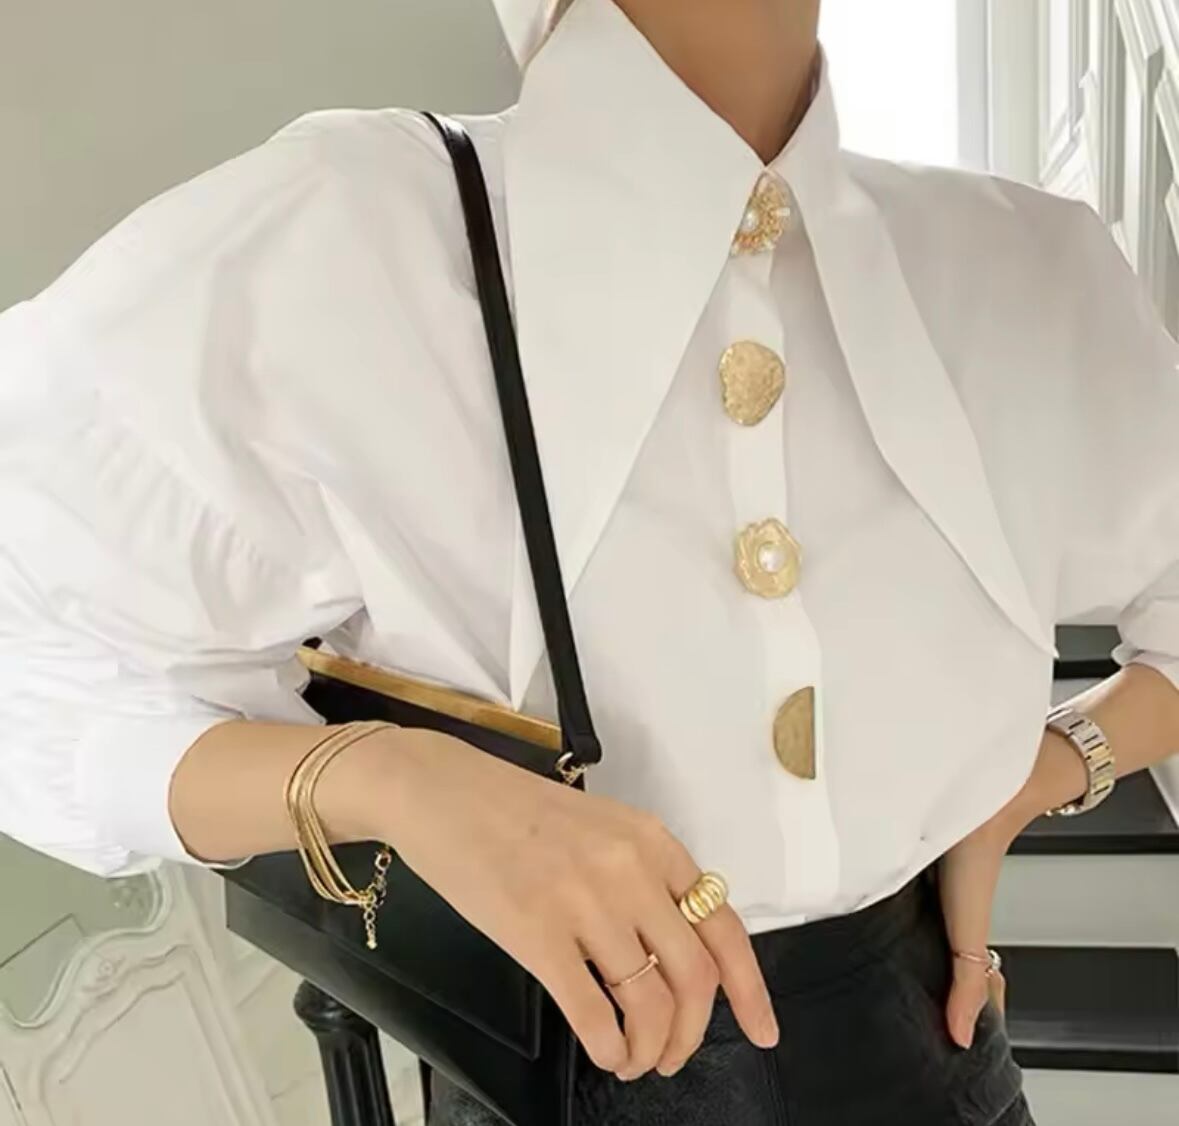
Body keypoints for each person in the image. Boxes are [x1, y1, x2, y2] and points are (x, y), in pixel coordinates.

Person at [3, 0, 1179, 1121]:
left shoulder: (1024, 264)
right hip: (565, 1073)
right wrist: (393, 780)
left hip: (941, 1059)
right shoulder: (352, 241)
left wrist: (1033, 776)